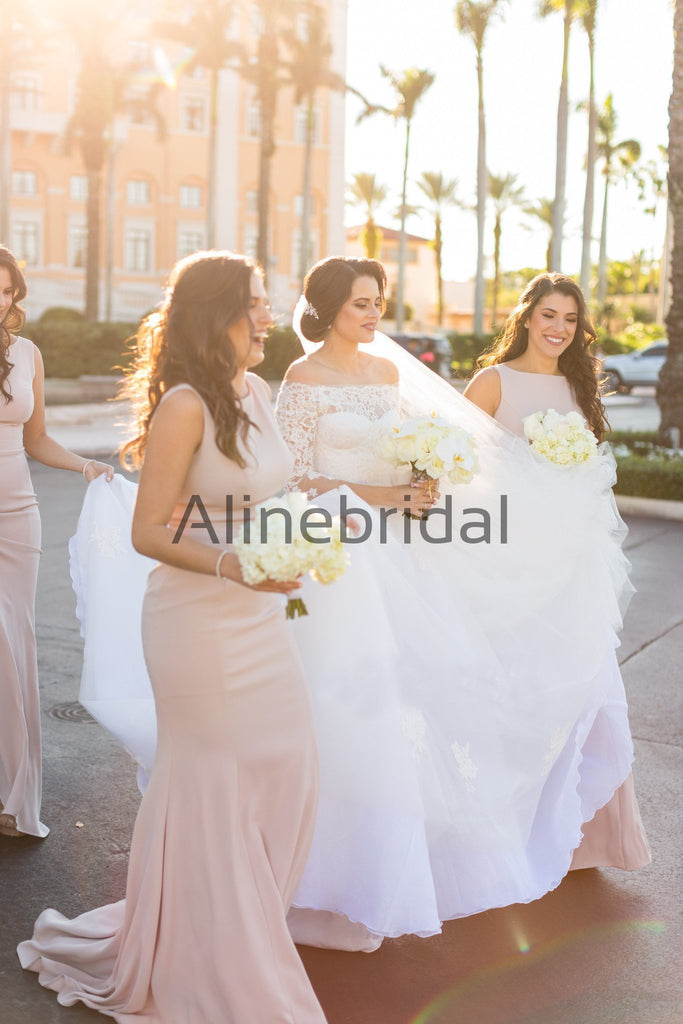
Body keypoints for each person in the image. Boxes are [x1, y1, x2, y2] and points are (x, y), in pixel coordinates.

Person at [273, 257, 649, 948]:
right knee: (345, 692)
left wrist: (420, 484)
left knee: (409, 689)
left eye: (376, 302)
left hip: (399, 542)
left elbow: (414, 457)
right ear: (328, 308)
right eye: (360, 303)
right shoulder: (301, 379)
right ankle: (324, 851)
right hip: (338, 542)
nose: (372, 314)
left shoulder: (387, 375)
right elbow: (288, 472)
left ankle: (398, 847)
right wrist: (387, 495)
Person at [18, 251, 327, 1023]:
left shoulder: (255, 389)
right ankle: (209, 955)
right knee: (211, 784)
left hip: (258, 610)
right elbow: (149, 530)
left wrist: (312, 529)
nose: (267, 314)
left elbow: (275, 489)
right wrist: (232, 564)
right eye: (255, 302)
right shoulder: (184, 404)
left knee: (291, 764)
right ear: (215, 311)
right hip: (197, 620)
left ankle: (238, 924)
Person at [464, 271, 650, 871]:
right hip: (508, 563)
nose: (559, 329)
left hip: (569, 568)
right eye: (549, 316)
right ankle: (506, 835)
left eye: (570, 320)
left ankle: (581, 836)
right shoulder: (492, 383)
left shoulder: (579, 385)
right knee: (514, 689)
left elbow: (591, 473)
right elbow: (462, 472)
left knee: (580, 685)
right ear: (526, 317)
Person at [0, 245, 112, 840]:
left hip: (18, 514)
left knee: (14, 645)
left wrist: (83, 466)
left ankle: (11, 791)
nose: (0, 300)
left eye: (6, 290)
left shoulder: (28, 354)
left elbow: (37, 437)